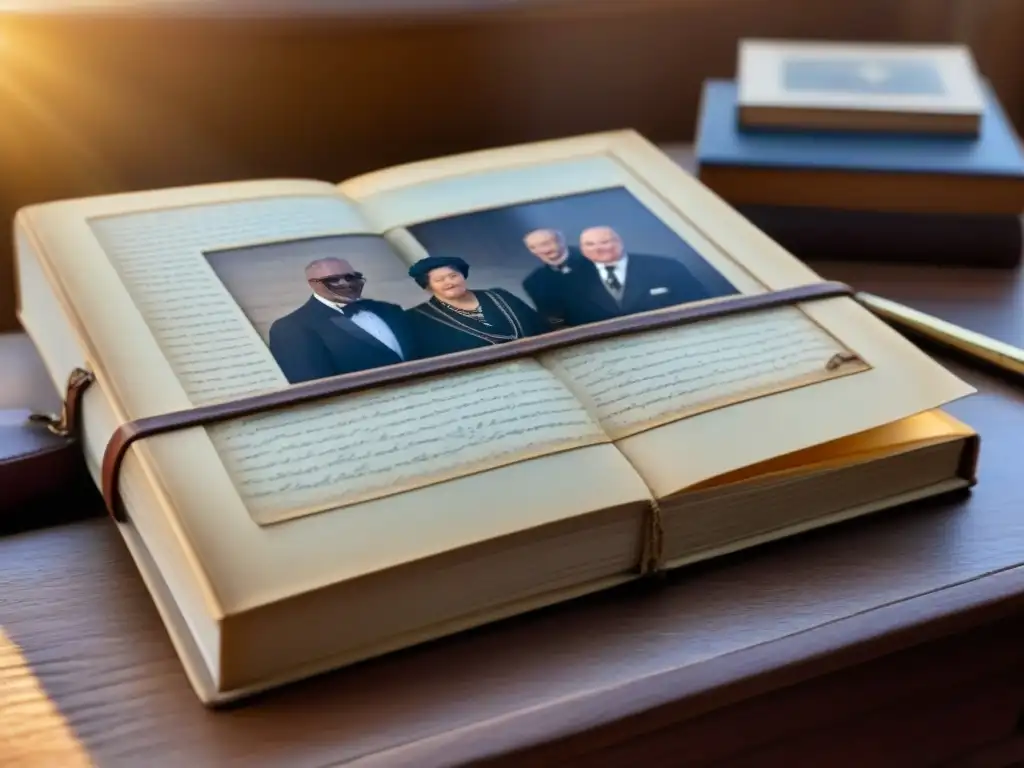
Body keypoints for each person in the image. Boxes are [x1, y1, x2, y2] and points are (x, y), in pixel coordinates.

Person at [268, 257, 417, 384]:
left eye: (350, 277)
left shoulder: (390, 310)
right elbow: (314, 389)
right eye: (333, 280)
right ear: (313, 284)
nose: (345, 283)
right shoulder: (291, 327)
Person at [542, 226, 717, 327]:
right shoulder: (568, 282)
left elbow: (701, 304)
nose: (599, 248)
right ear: (582, 250)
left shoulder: (665, 266)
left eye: (605, 241)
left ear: (619, 241)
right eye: (590, 244)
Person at [405, 255, 550, 357]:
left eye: (454, 276)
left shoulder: (499, 295)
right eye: (439, 280)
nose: (449, 282)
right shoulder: (421, 317)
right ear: (428, 286)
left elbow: (541, 327)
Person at [520, 228, 587, 329]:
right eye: (533, 247)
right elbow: (555, 320)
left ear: (561, 241)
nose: (543, 250)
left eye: (546, 244)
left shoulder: (596, 258)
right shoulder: (533, 282)